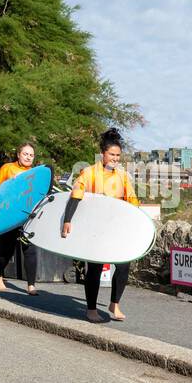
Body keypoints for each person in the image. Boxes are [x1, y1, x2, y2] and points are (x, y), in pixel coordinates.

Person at [67, 128, 139, 323]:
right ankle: (91, 309)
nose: (115, 158)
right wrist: (67, 220)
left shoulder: (122, 176)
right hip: (95, 228)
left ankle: (114, 303)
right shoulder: (89, 173)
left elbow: (132, 200)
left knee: (123, 265)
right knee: (96, 268)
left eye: (118, 155)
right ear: (103, 154)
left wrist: (138, 222)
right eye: (112, 154)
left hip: (116, 227)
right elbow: (76, 196)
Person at [0, 141, 41, 295]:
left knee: (30, 249)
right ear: (18, 154)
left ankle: (31, 285)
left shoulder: (36, 173)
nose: (28, 157)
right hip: (9, 216)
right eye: (25, 154)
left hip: (26, 217)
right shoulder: (8, 168)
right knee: (7, 250)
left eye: (31, 155)